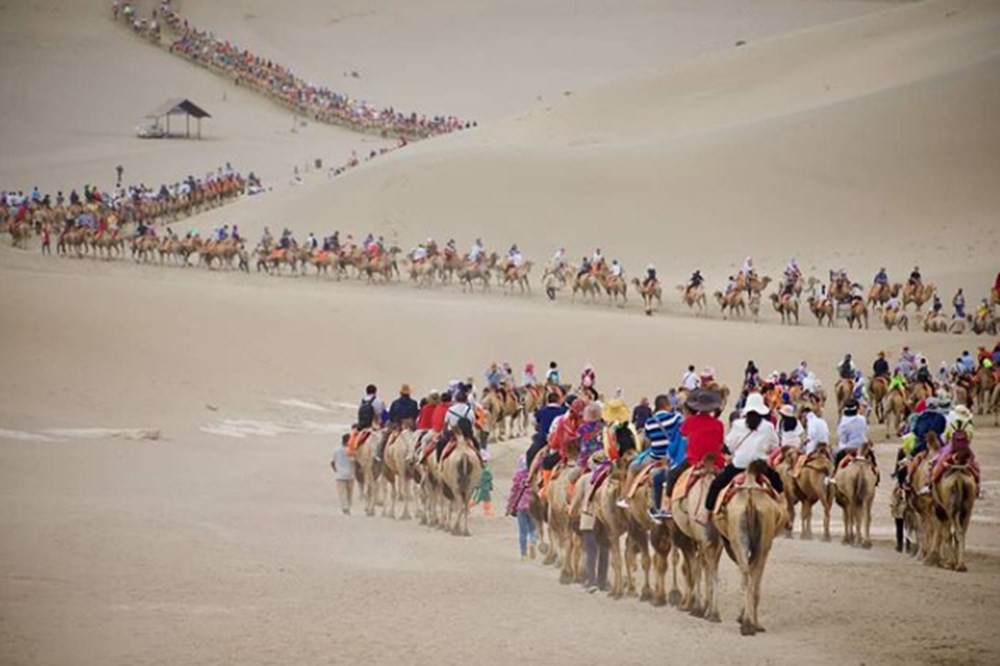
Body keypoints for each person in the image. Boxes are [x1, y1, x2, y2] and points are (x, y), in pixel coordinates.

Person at [704, 393, 783, 512]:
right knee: (778, 484)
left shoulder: (737, 425)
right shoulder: (768, 426)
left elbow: (729, 445)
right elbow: (774, 445)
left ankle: (709, 511)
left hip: (739, 466)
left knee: (716, 484)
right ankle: (785, 513)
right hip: (760, 467)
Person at [656, 389, 724, 519]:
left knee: (672, 475)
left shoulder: (689, 422)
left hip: (694, 461)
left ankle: (666, 506)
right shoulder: (718, 424)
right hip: (715, 462)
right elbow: (720, 445)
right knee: (727, 479)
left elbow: (683, 434)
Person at [506, 453, 539, 561]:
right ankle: (533, 543)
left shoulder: (519, 476)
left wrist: (509, 507)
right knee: (533, 529)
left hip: (521, 507)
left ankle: (524, 555)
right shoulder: (536, 476)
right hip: (533, 507)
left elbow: (513, 492)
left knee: (522, 532)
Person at [832, 399, 867, 469]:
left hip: (848, 449)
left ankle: (833, 475)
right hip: (862, 448)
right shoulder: (863, 419)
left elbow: (842, 439)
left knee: (834, 455)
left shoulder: (843, 423)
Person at [330, 433, 356, 515]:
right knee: (349, 493)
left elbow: (332, 462)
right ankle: (348, 507)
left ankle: (345, 508)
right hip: (350, 475)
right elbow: (355, 462)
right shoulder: (352, 451)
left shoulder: (337, 450)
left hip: (340, 475)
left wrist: (336, 470)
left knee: (342, 493)